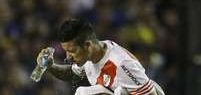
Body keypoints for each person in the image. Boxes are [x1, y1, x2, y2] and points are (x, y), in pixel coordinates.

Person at [36, 18, 165, 95]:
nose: (68, 57)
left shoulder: (121, 63)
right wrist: (50, 66)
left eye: (72, 51)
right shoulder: (89, 58)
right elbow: (73, 74)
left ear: (87, 45)